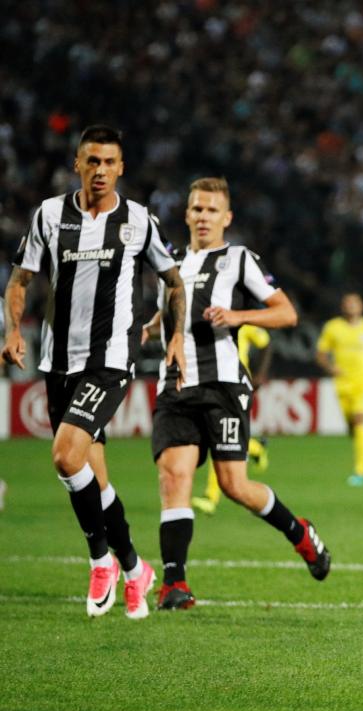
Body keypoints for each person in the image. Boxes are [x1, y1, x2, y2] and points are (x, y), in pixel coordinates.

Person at [2, 124, 187, 619]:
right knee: (94, 478)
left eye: (109, 162)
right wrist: (13, 330)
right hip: (59, 359)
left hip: (110, 359)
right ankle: (134, 568)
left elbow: (173, 282)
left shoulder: (139, 221)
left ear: (121, 167)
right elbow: (20, 279)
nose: (100, 170)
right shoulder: (49, 214)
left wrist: (174, 336)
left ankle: (100, 559)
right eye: (92, 161)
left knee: (65, 457)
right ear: (77, 165)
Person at [149, 177, 330, 611]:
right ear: (187, 214)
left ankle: (300, 533)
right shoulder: (170, 262)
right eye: (197, 209)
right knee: (174, 476)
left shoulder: (239, 259)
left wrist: (235, 316)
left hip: (222, 388)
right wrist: (150, 327)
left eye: (212, 210)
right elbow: (170, 310)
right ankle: (175, 584)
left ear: (226, 218)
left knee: (234, 485)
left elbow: (286, 313)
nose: (203, 217)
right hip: (176, 384)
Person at [188, 323, 272, 515]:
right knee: (220, 434)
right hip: (208, 381)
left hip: (235, 384)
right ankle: (256, 448)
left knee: (218, 436)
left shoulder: (241, 317)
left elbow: (266, 343)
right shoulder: (203, 315)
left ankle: (211, 497)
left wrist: (260, 374)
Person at [317, 292, 363, 486]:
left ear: (361, 306)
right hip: (342, 384)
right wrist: (330, 367)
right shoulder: (333, 327)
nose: (351, 306)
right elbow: (321, 354)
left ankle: (360, 472)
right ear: (342, 306)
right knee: (353, 428)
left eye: (354, 303)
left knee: (359, 418)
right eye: (347, 303)